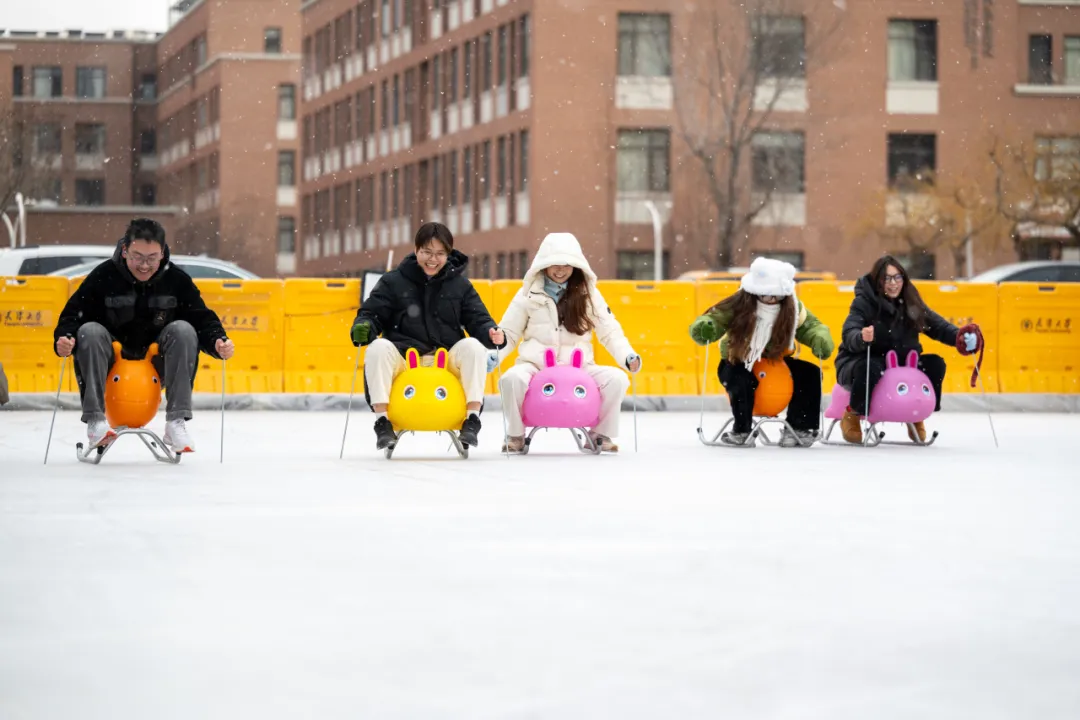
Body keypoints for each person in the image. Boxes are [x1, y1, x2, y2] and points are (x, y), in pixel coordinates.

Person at [52, 218, 235, 452]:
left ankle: (176, 423)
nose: (145, 266)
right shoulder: (103, 276)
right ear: (125, 250)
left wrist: (218, 341)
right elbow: (72, 315)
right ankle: (95, 422)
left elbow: (201, 318)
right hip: (111, 364)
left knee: (184, 329)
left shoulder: (176, 280)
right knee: (89, 331)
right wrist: (65, 338)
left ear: (162, 253)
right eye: (138, 257)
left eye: (152, 258)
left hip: (155, 365)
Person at [350, 222, 504, 450]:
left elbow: (478, 319)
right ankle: (382, 423)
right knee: (378, 348)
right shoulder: (393, 282)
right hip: (405, 360)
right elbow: (371, 313)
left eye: (440, 254)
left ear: (448, 254)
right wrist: (364, 326)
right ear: (416, 250)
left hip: (446, 360)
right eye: (427, 252)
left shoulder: (460, 285)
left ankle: (471, 420)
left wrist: (491, 332)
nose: (433, 259)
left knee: (473, 346)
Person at [494, 232, 642, 453]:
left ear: (576, 265)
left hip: (580, 367)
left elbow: (609, 331)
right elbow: (509, 332)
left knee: (617, 380)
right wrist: (493, 355)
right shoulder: (528, 294)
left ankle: (600, 434)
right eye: (555, 264)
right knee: (511, 379)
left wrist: (627, 356)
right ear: (543, 264)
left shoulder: (588, 294)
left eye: (567, 264)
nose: (560, 270)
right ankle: (515, 434)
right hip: (536, 365)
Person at [833, 255, 981, 443]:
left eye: (898, 277)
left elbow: (937, 326)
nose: (893, 283)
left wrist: (960, 337)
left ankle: (917, 415)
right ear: (878, 281)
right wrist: (861, 336)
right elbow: (849, 332)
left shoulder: (911, 302)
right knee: (871, 368)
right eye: (887, 278)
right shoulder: (864, 303)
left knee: (935, 364)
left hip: (903, 362)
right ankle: (852, 414)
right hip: (862, 360)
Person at [689, 257, 834, 447]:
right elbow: (716, 318)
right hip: (739, 358)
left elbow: (811, 326)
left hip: (777, 361)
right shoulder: (739, 304)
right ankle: (742, 430)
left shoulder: (792, 308)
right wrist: (706, 328)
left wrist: (819, 338)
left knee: (810, 373)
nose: (772, 300)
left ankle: (800, 427)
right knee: (741, 380)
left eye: (777, 296)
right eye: (767, 295)